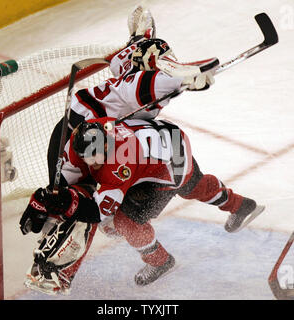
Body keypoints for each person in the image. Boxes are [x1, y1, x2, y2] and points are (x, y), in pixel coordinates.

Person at [19, 115, 265, 294]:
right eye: (88, 158)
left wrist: (63, 203)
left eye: (97, 158)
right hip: (171, 137)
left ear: (106, 146)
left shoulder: (118, 165)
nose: (93, 164)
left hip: (169, 167)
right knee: (195, 186)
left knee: (125, 221)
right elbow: (78, 178)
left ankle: (160, 261)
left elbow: (95, 212)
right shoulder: (96, 130)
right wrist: (57, 196)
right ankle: (241, 205)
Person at [47, 4, 216, 186]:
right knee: (64, 195)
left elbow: (138, 51)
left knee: (77, 197)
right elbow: (155, 82)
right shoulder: (139, 85)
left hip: (86, 129)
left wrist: (141, 37)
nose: (162, 68)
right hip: (78, 134)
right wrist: (186, 80)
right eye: (160, 63)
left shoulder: (128, 62)